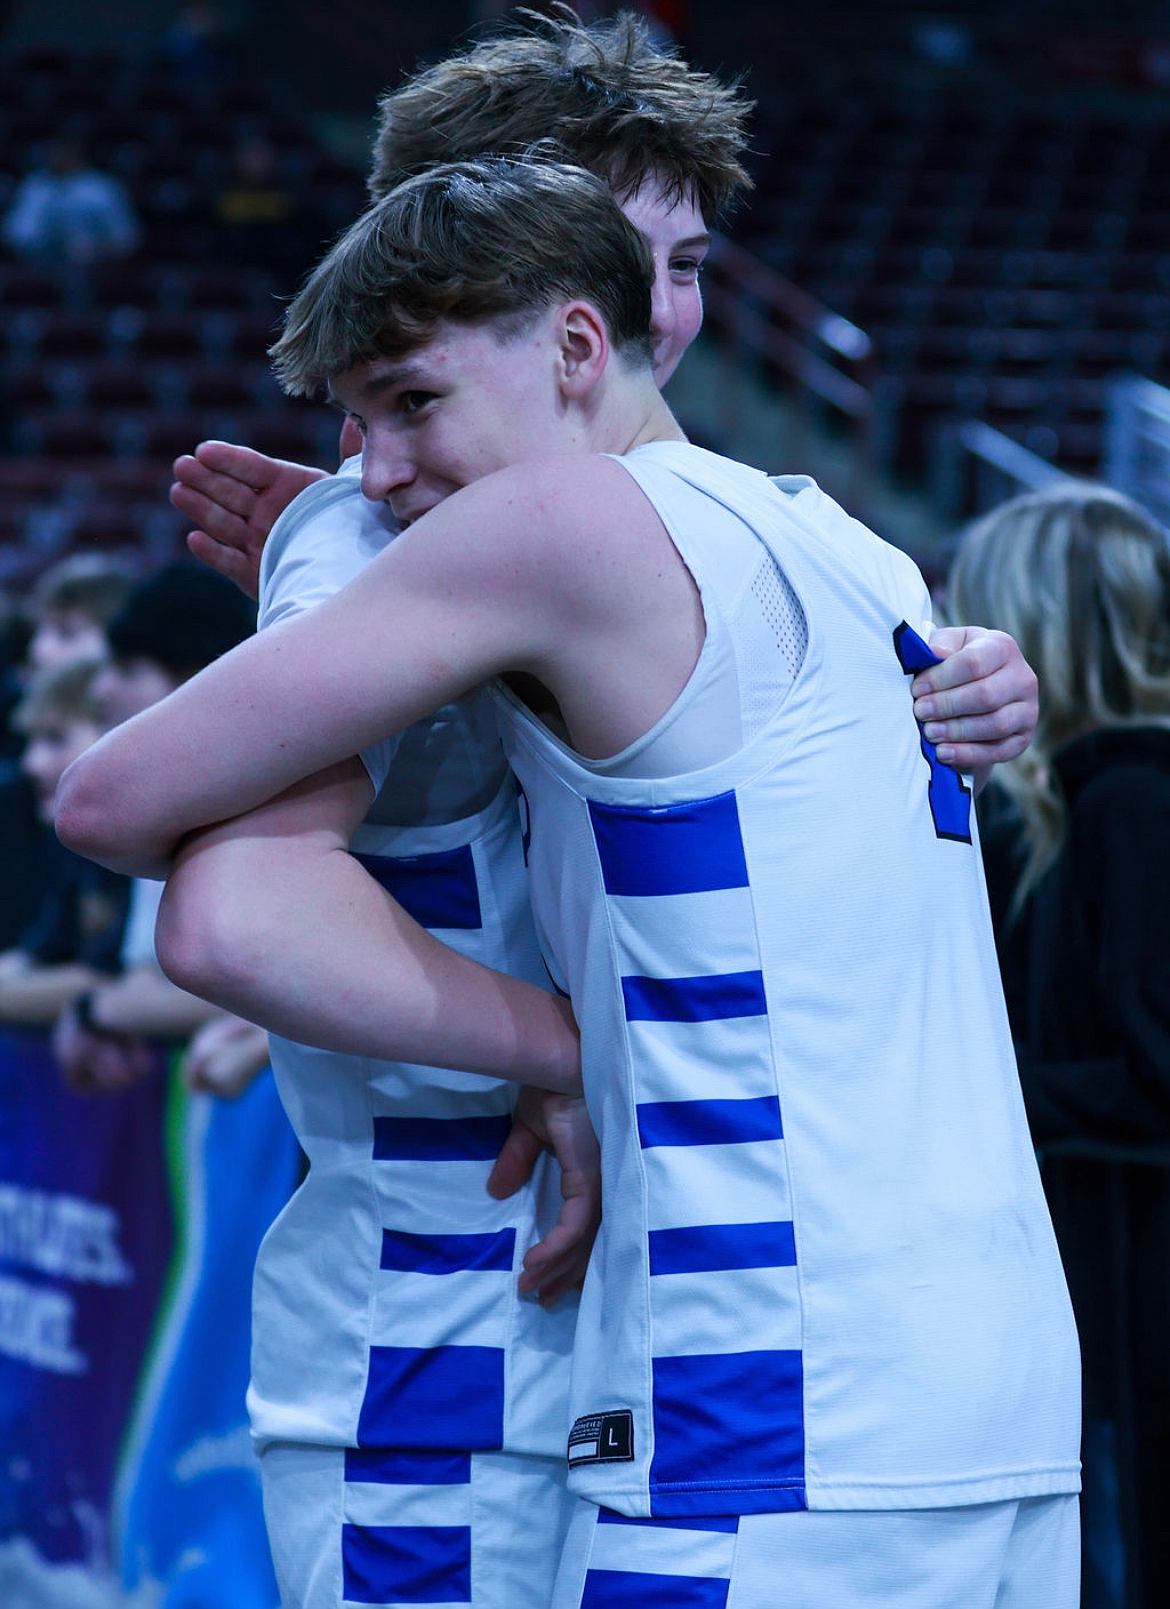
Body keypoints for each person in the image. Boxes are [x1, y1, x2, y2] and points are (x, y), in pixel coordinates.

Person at [60, 157, 1080, 1609]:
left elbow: (122, 814)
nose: (380, 468)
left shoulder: (519, 529)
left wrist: (319, 550)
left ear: (571, 337)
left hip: (735, 1380)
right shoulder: (857, 549)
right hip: (988, 1381)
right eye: (360, 423)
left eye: (412, 404)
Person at [947, 482, 1170, 1609]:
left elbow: (1152, 1073)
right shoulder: (1051, 806)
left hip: (1130, 1268)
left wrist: (969, 1089)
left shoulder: (1133, 798)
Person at [2, 139, 139, 265]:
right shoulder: (35, 186)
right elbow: (16, 233)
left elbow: (126, 237)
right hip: (40, 267)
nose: (58, 158)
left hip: (97, 267)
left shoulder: (101, 187)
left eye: (64, 153)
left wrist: (98, 248)